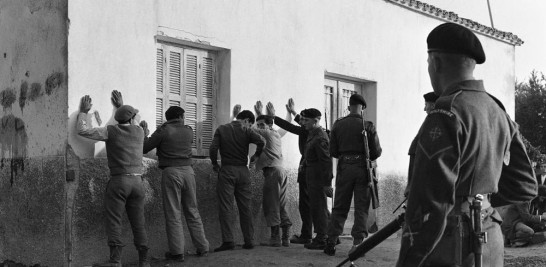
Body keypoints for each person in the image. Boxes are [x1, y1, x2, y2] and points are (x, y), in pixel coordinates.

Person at [397, 22, 537, 266]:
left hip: (451, 241)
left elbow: (429, 204)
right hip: (490, 233)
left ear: (435, 62)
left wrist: (408, 260)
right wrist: (480, 196)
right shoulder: (497, 110)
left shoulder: (446, 112)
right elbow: (524, 185)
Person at [76, 91, 150, 267]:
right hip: (138, 183)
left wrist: (84, 112)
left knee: (114, 221)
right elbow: (135, 117)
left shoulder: (110, 131)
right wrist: (121, 106)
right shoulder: (140, 132)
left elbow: (82, 130)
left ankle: (115, 261)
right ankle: (144, 261)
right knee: (138, 222)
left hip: (119, 182)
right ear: (132, 119)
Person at [141, 106, 209, 262]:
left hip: (171, 172)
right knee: (192, 211)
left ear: (168, 117)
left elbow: (145, 147)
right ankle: (203, 247)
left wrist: (144, 134)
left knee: (173, 213)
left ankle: (177, 252)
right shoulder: (189, 131)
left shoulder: (164, 130)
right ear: (181, 116)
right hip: (188, 172)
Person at [324, 93, 382, 256]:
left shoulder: (338, 124)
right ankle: (357, 245)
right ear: (362, 108)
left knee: (340, 206)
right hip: (363, 170)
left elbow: (333, 152)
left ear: (349, 107)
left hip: (344, 168)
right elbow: (376, 152)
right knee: (361, 207)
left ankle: (331, 241)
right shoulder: (368, 125)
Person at [209, 108, 265, 252]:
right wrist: (256, 157)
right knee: (245, 207)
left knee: (226, 207)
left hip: (227, 170)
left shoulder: (222, 129)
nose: (249, 127)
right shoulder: (246, 131)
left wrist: (215, 164)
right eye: (250, 124)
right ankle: (249, 240)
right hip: (243, 171)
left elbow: (213, 148)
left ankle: (228, 241)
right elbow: (262, 141)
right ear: (246, 120)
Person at [251, 101, 292, 247]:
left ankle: (275, 238)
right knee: (281, 204)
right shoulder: (275, 134)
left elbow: (248, 128)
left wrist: (239, 116)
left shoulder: (266, 132)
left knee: (271, 204)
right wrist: (262, 115)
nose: (260, 127)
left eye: (262, 124)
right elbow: (285, 127)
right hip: (280, 171)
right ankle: (285, 237)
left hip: (272, 172)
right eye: (259, 125)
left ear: (269, 125)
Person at [273, 99, 314, 244]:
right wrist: (293, 112)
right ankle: (324, 234)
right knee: (313, 204)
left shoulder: (306, 130)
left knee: (307, 204)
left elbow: (290, 127)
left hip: (307, 170)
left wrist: (272, 117)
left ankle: (310, 235)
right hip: (311, 171)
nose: (301, 121)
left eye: (304, 120)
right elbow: (300, 124)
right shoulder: (313, 130)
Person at [298, 108, 333, 250]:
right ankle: (330, 236)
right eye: (303, 119)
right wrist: (304, 164)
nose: (303, 122)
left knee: (319, 208)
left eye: (306, 120)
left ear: (316, 121)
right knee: (316, 207)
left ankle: (322, 239)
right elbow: (310, 154)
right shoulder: (313, 134)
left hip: (318, 177)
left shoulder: (320, 137)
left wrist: (327, 183)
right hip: (311, 175)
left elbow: (326, 161)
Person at [404, 92, 439, 198]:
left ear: (433, 106)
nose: (424, 109)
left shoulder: (433, 121)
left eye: (426, 105)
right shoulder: (432, 120)